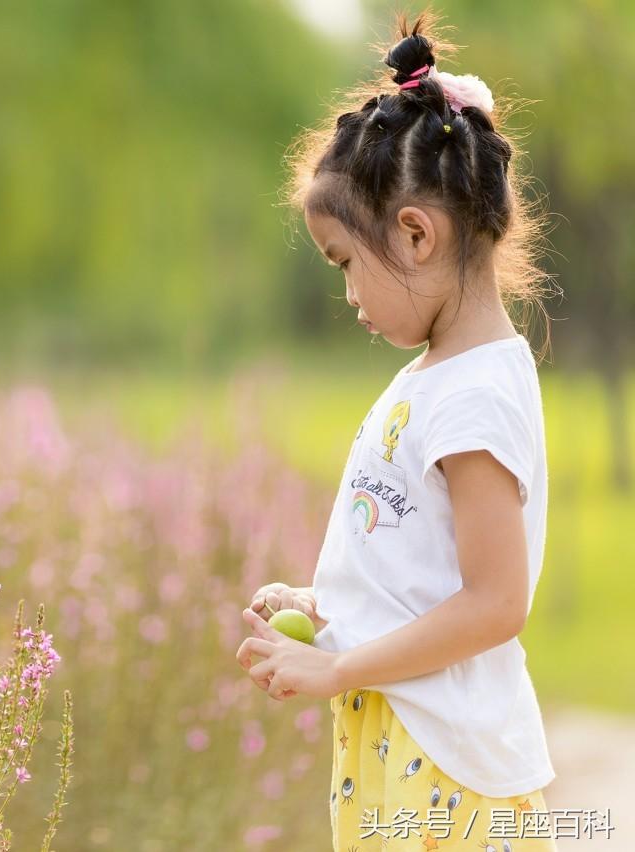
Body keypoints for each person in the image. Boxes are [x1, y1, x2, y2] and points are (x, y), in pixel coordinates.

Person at [235, 9, 562, 851]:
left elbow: (496, 602)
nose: (348, 298)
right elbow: (420, 564)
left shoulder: (474, 398)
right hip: (402, 736)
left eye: (347, 264)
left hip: (448, 764)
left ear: (416, 234)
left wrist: (337, 666)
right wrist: (328, 607)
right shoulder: (433, 378)